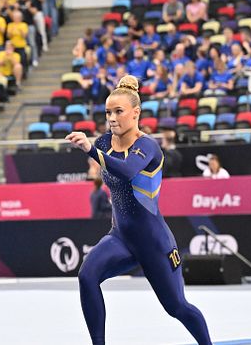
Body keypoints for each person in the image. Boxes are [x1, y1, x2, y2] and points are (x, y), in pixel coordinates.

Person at [65, 75, 211, 345]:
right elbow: (104, 164)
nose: (112, 117)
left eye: (118, 111)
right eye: (108, 112)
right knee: (87, 276)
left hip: (155, 243)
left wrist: (89, 150)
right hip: (121, 237)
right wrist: (92, 149)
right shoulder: (104, 143)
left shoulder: (148, 146)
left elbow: (127, 171)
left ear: (136, 113)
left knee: (177, 307)